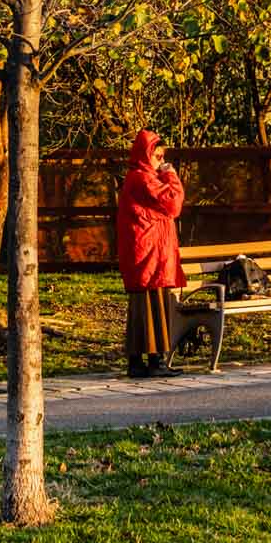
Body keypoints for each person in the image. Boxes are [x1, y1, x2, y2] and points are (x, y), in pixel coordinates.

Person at [117, 129, 185, 377]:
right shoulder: (143, 179)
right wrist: (171, 175)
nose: (161, 161)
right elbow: (173, 203)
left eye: (163, 156)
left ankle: (138, 362)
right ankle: (156, 362)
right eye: (157, 156)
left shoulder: (140, 178)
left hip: (149, 254)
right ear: (146, 155)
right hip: (150, 256)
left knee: (143, 309)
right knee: (152, 306)